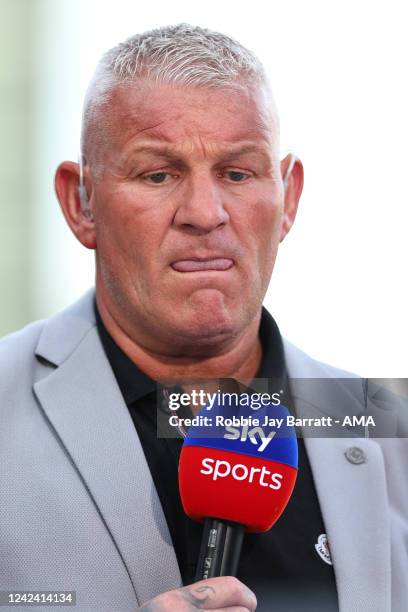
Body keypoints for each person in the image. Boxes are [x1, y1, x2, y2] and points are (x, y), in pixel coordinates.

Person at [0, 24, 407, 612]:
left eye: (238, 173)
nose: (203, 213)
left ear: (288, 197)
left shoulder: (383, 427)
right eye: (157, 174)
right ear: (81, 201)